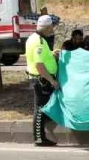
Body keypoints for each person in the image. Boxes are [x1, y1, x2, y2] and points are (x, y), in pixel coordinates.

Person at [24, 15, 61, 147]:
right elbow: (39, 65)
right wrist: (52, 80)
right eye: (51, 26)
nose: (52, 29)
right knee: (40, 110)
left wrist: (51, 54)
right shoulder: (39, 42)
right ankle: (39, 138)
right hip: (42, 80)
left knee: (41, 108)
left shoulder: (34, 38)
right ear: (46, 27)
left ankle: (40, 137)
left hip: (40, 79)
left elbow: (41, 57)